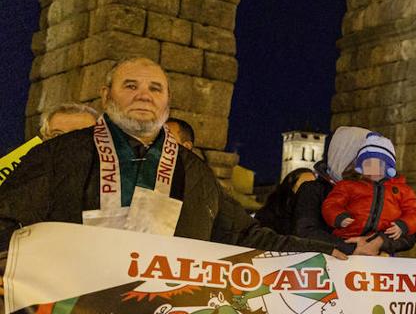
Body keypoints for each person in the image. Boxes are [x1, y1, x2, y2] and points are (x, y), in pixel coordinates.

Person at [0, 57, 361, 259]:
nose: (144, 95)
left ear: (167, 102)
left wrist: (326, 251)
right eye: (131, 85)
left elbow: (247, 235)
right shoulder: (58, 154)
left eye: (155, 88)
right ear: (105, 95)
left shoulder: (193, 171)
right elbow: (7, 222)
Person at [293, 127, 392, 255]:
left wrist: (380, 242)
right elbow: (305, 231)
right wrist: (351, 247)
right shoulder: (313, 190)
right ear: (343, 155)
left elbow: (407, 233)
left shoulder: (379, 190)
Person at [322, 132, 416, 255]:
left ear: (388, 167)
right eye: (368, 164)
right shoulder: (348, 185)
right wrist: (338, 217)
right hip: (348, 240)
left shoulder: (402, 190)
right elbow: (331, 204)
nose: (373, 169)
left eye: (378, 165)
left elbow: (414, 212)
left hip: (383, 245)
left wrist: (403, 225)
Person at [255, 168, 318, 236]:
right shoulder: (268, 215)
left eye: (314, 186)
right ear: (291, 187)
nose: (310, 190)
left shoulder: (316, 215)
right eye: (305, 186)